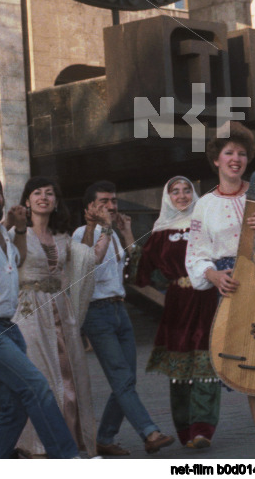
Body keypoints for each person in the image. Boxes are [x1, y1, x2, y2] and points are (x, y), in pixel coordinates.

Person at [185, 122, 255, 459]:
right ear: (216, 160)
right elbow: (195, 255)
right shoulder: (204, 205)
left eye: (241, 153)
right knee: (251, 367)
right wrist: (213, 275)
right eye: (228, 153)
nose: (235, 158)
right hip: (234, 289)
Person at [0, 174, 80, 459]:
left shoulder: (2, 233)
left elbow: (19, 260)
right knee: (36, 386)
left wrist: (20, 230)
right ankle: (68, 459)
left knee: (15, 407)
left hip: (6, 327)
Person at [75, 180, 175, 456]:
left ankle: (105, 437)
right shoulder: (81, 233)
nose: (111, 206)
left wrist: (127, 231)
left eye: (114, 201)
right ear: (90, 208)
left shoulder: (115, 234)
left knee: (127, 379)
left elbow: (134, 267)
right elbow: (89, 265)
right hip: (97, 313)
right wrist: (104, 227)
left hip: (120, 310)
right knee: (121, 378)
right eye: (104, 201)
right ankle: (149, 432)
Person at [14, 176, 105, 457]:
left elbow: (91, 259)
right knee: (40, 378)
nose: (43, 197)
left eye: (49, 193)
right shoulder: (17, 234)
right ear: (27, 201)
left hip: (62, 312)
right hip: (28, 314)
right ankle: (36, 447)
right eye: (37, 193)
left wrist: (108, 230)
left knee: (70, 379)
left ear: (56, 201)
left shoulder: (63, 238)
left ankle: (71, 444)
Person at [136, 176, 221, 450]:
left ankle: (203, 429)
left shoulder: (204, 223)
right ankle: (184, 428)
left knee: (206, 364)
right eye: (175, 192)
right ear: (167, 196)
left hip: (206, 297)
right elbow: (147, 270)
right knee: (180, 367)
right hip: (177, 304)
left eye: (187, 190)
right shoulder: (160, 230)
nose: (182, 196)